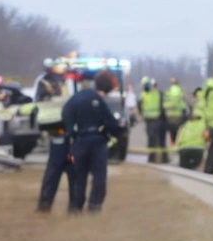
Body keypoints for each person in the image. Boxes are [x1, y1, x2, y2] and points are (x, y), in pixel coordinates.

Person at [64, 70, 126, 213]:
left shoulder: (76, 98)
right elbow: (109, 123)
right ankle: (94, 205)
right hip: (97, 143)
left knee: (79, 176)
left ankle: (76, 206)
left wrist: (70, 132)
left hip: (79, 141)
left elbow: (66, 113)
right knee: (99, 176)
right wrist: (120, 133)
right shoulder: (98, 100)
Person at [140, 77, 167, 164]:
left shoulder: (145, 94)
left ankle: (152, 159)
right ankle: (163, 159)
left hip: (152, 120)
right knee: (160, 140)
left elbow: (140, 106)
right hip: (157, 119)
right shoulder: (157, 93)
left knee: (153, 140)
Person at [163, 76, 186, 146]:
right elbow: (183, 104)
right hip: (178, 115)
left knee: (171, 132)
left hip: (169, 116)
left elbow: (165, 103)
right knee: (178, 131)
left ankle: (172, 144)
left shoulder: (168, 91)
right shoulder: (180, 91)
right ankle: (177, 144)